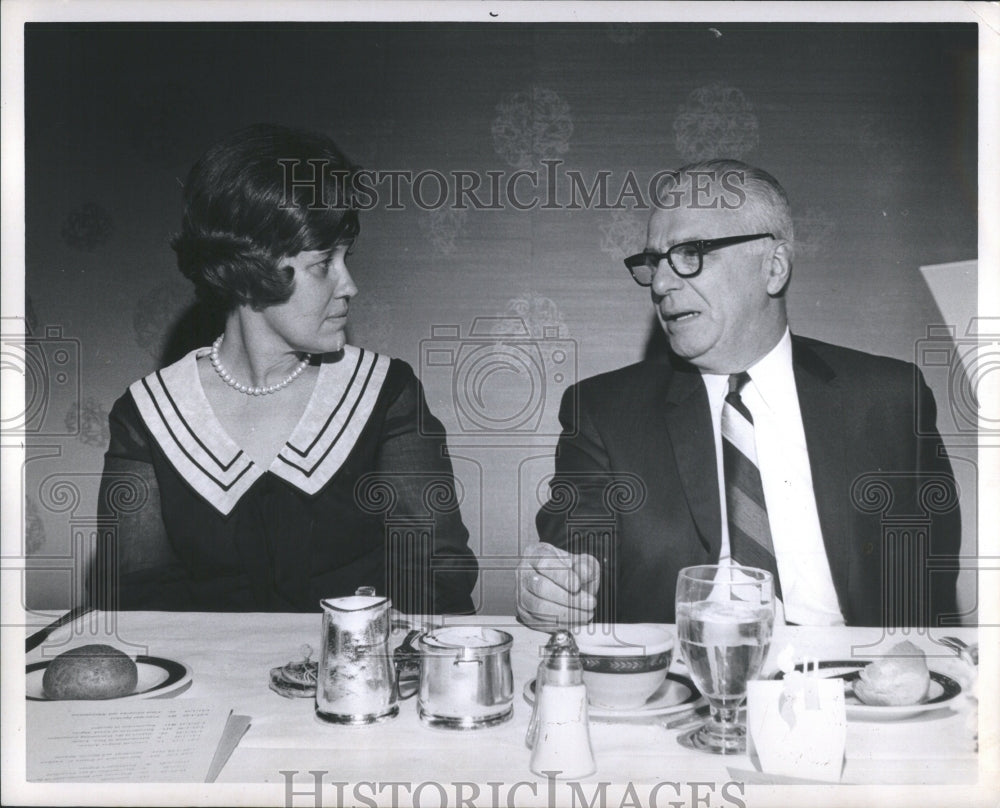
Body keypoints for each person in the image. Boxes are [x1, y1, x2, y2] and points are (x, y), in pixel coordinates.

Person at [516, 159, 960, 628]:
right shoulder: (604, 412)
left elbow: (926, 596)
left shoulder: (888, 399)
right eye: (654, 262)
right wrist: (555, 592)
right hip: (684, 686)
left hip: (852, 685)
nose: (662, 283)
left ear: (773, 267)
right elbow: (577, 563)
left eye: (690, 252)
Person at [88, 123, 478, 613]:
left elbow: (438, 583)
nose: (350, 284)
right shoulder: (149, 414)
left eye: (346, 258)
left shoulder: (384, 394)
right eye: (323, 264)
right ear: (250, 267)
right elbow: (139, 607)